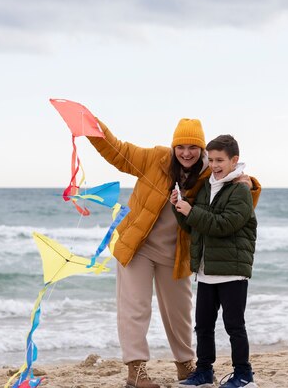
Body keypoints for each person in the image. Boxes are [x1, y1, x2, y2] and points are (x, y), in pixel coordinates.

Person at [87, 118, 261, 388]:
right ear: (173, 146)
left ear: (202, 150)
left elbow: (233, 203)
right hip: (138, 246)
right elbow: (117, 151)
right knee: (136, 307)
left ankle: (185, 364)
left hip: (177, 252)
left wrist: (249, 184)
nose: (187, 153)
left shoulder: (207, 172)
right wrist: (94, 130)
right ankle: (136, 369)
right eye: (181, 146)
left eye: (194, 147)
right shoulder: (155, 158)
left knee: (181, 312)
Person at [172, 134, 258, 388]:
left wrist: (192, 211)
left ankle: (243, 375)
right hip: (206, 270)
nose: (215, 165)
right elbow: (195, 228)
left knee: (234, 326)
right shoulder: (208, 186)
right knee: (203, 327)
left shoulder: (241, 190)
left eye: (220, 160)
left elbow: (224, 225)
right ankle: (204, 372)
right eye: (211, 160)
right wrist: (179, 209)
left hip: (232, 271)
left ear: (234, 160)